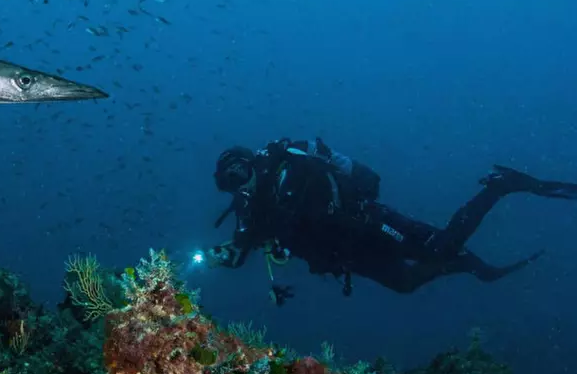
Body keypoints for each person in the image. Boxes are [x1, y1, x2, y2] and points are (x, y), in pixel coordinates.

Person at [208, 137, 577, 303]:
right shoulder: (253, 209)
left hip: (367, 224)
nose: (241, 185)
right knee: (406, 283)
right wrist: (225, 254)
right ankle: (468, 264)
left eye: (241, 174)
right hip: (347, 257)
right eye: (232, 184)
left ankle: (500, 187)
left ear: (253, 162)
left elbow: (361, 182)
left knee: (441, 247)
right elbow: (243, 247)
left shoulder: (293, 166)